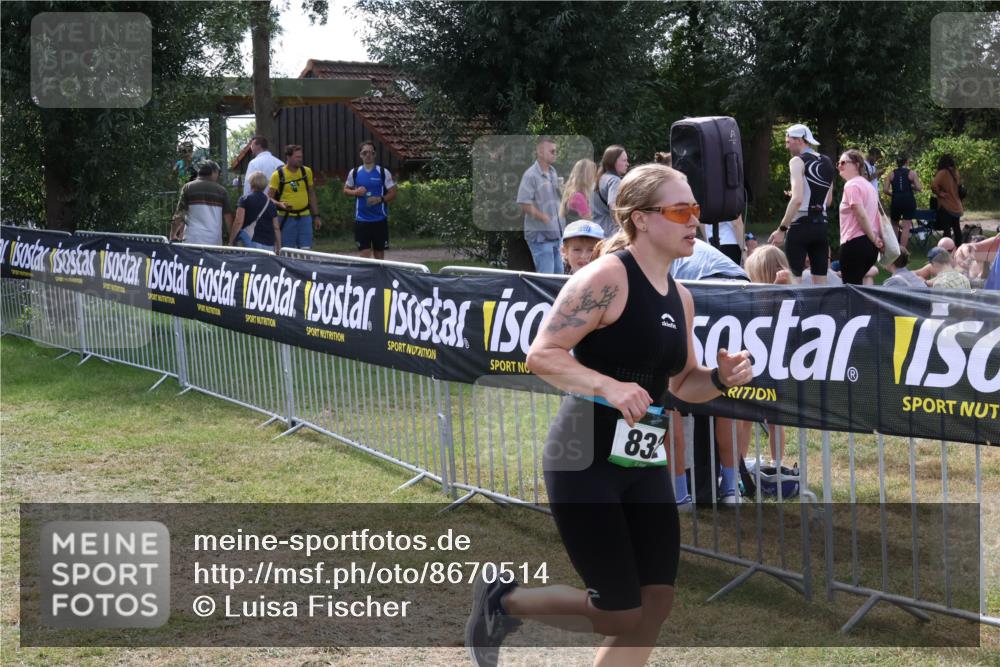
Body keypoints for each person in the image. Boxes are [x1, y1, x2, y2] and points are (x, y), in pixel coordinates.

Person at [466, 163, 753, 667]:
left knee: (656, 601)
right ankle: (503, 603)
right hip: (584, 457)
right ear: (640, 219)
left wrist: (720, 378)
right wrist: (608, 385)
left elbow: (682, 383)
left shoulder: (681, 297)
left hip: (641, 460)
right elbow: (542, 354)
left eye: (695, 209)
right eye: (679, 210)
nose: (694, 221)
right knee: (617, 610)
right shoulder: (606, 278)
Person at [768, 124, 835, 284]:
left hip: (800, 227)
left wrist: (781, 229)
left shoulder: (797, 161)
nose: (786, 146)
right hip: (821, 227)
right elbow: (828, 201)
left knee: (794, 282)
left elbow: (797, 199)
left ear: (799, 140)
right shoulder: (827, 161)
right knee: (821, 284)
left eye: (788, 141)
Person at [516, 137, 564, 274]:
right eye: (552, 151)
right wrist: (543, 217)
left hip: (556, 235)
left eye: (556, 151)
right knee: (546, 278)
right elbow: (523, 203)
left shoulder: (553, 172)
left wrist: (563, 190)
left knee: (559, 277)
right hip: (541, 237)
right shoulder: (530, 175)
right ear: (540, 152)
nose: (555, 154)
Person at [836, 149, 884, 285]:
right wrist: (876, 239)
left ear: (857, 165)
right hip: (870, 248)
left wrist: (874, 238)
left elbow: (860, 214)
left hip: (855, 244)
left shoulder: (851, 185)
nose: (839, 166)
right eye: (838, 163)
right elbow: (876, 215)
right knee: (858, 287)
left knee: (850, 290)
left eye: (843, 162)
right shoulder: (869, 186)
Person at [344, 140, 398, 260]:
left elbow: (393, 193)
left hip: (379, 220)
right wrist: (356, 192)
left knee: (379, 256)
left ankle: (378, 273)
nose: (368, 155)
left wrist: (380, 199)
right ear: (360, 155)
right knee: (365, 255)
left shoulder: (383, 172)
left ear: (375, 154)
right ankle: (366, 273)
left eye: (371, 152)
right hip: (361, 220)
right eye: (365, 153)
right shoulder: (355, 172)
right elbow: (346, 190)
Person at [268, 144, 322, 250]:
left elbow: (311, 194)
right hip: (286, 218)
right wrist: (279, 204)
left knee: (306, 250)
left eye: (301, 157)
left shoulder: (306, 172)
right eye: (297, 157)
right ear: (288, 157)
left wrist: (316, 216)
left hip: (305, 217)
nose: (300, 159)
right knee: (287, 250)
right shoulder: (277, 175)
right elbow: (268, 198)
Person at [169, 160, 234, 245]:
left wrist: (172, 235)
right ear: (213, 172)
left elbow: (179, 214)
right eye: (218, 173)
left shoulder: (188, 187)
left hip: (191, 240)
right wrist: (231, 240)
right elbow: (228, 218)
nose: (218, 175)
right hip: (214, 242)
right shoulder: (222, 191)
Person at [238, 136, 284, 246]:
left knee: (256, 240)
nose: (251, 148)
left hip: (255, 207)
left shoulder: (254, 163)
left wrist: (244, 205)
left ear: (258, 146)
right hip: (275, 206)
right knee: (273, 234)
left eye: (252, 145)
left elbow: (248, 188)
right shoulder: (280, 163)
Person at [228, 171, 280, 253]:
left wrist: (231, 241)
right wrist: (278, 247)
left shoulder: (245, 199)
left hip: (251, 241)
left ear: (251, 183)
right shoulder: (270, 203)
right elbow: (276, 227)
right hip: (268, 243)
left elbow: (238, 222)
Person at [590, 145, 630, 239]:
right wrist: (621, 228)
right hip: (611, 233)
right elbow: (613, 207)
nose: (627, 164)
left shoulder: (599, 179)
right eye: (624, 160)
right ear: (613, 161)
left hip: (596, 231)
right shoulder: (614, 180)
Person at [885, 155, 921, 250]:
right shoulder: (911, 173)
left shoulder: (891, 174)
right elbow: (919, 188)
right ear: (906, 162)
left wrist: (894, 195)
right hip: (908, 200)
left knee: (894, 224)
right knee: (906, 226)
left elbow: (885, 190)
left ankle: (895, 249)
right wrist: (911, 186)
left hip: (896, 200)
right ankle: (903, 250)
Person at [931, 154, 964, 247]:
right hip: (957, 205)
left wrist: (939, 193)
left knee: (947, 229)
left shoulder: (942, 173)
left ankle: (947, 248)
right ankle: (958, 247)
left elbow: (934, 185)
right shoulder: (955, 173)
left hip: (946, 205)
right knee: (957, 228)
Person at [559, 159, 597, 225]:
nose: (594, 177)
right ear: (587, 176)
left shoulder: (572, 192)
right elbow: (589, 221)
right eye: (593, 173)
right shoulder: (578, 197)